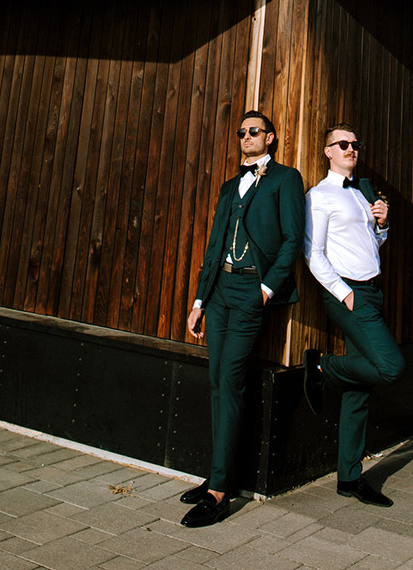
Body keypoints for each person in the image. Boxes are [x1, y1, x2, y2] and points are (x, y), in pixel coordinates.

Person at [180, 110, 305, 527]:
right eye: (241, 133)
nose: (245, 137)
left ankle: (219, 492)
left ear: (269, 138)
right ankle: (218, 475)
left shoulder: (286, 179)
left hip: (251, 290)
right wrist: (199, 298)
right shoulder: (229, 186)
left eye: (253, 132)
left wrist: (266, 289)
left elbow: (292, 239)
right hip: (218, 292)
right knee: (217, 382)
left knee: (231, 380)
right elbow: (215, 243)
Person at [303, 123, 405, 506]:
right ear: (328, 151)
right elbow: (312, 252)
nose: (350, 149)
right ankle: (321, 367)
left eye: (355, 144)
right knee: (391, 367)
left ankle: (349, 478)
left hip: (372, 290)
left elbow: (373, 244)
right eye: (342, 144)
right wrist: (343, 293)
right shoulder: (319, 196)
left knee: (361, 389)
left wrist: (382, 223)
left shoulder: (363, 192)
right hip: (347, 293)